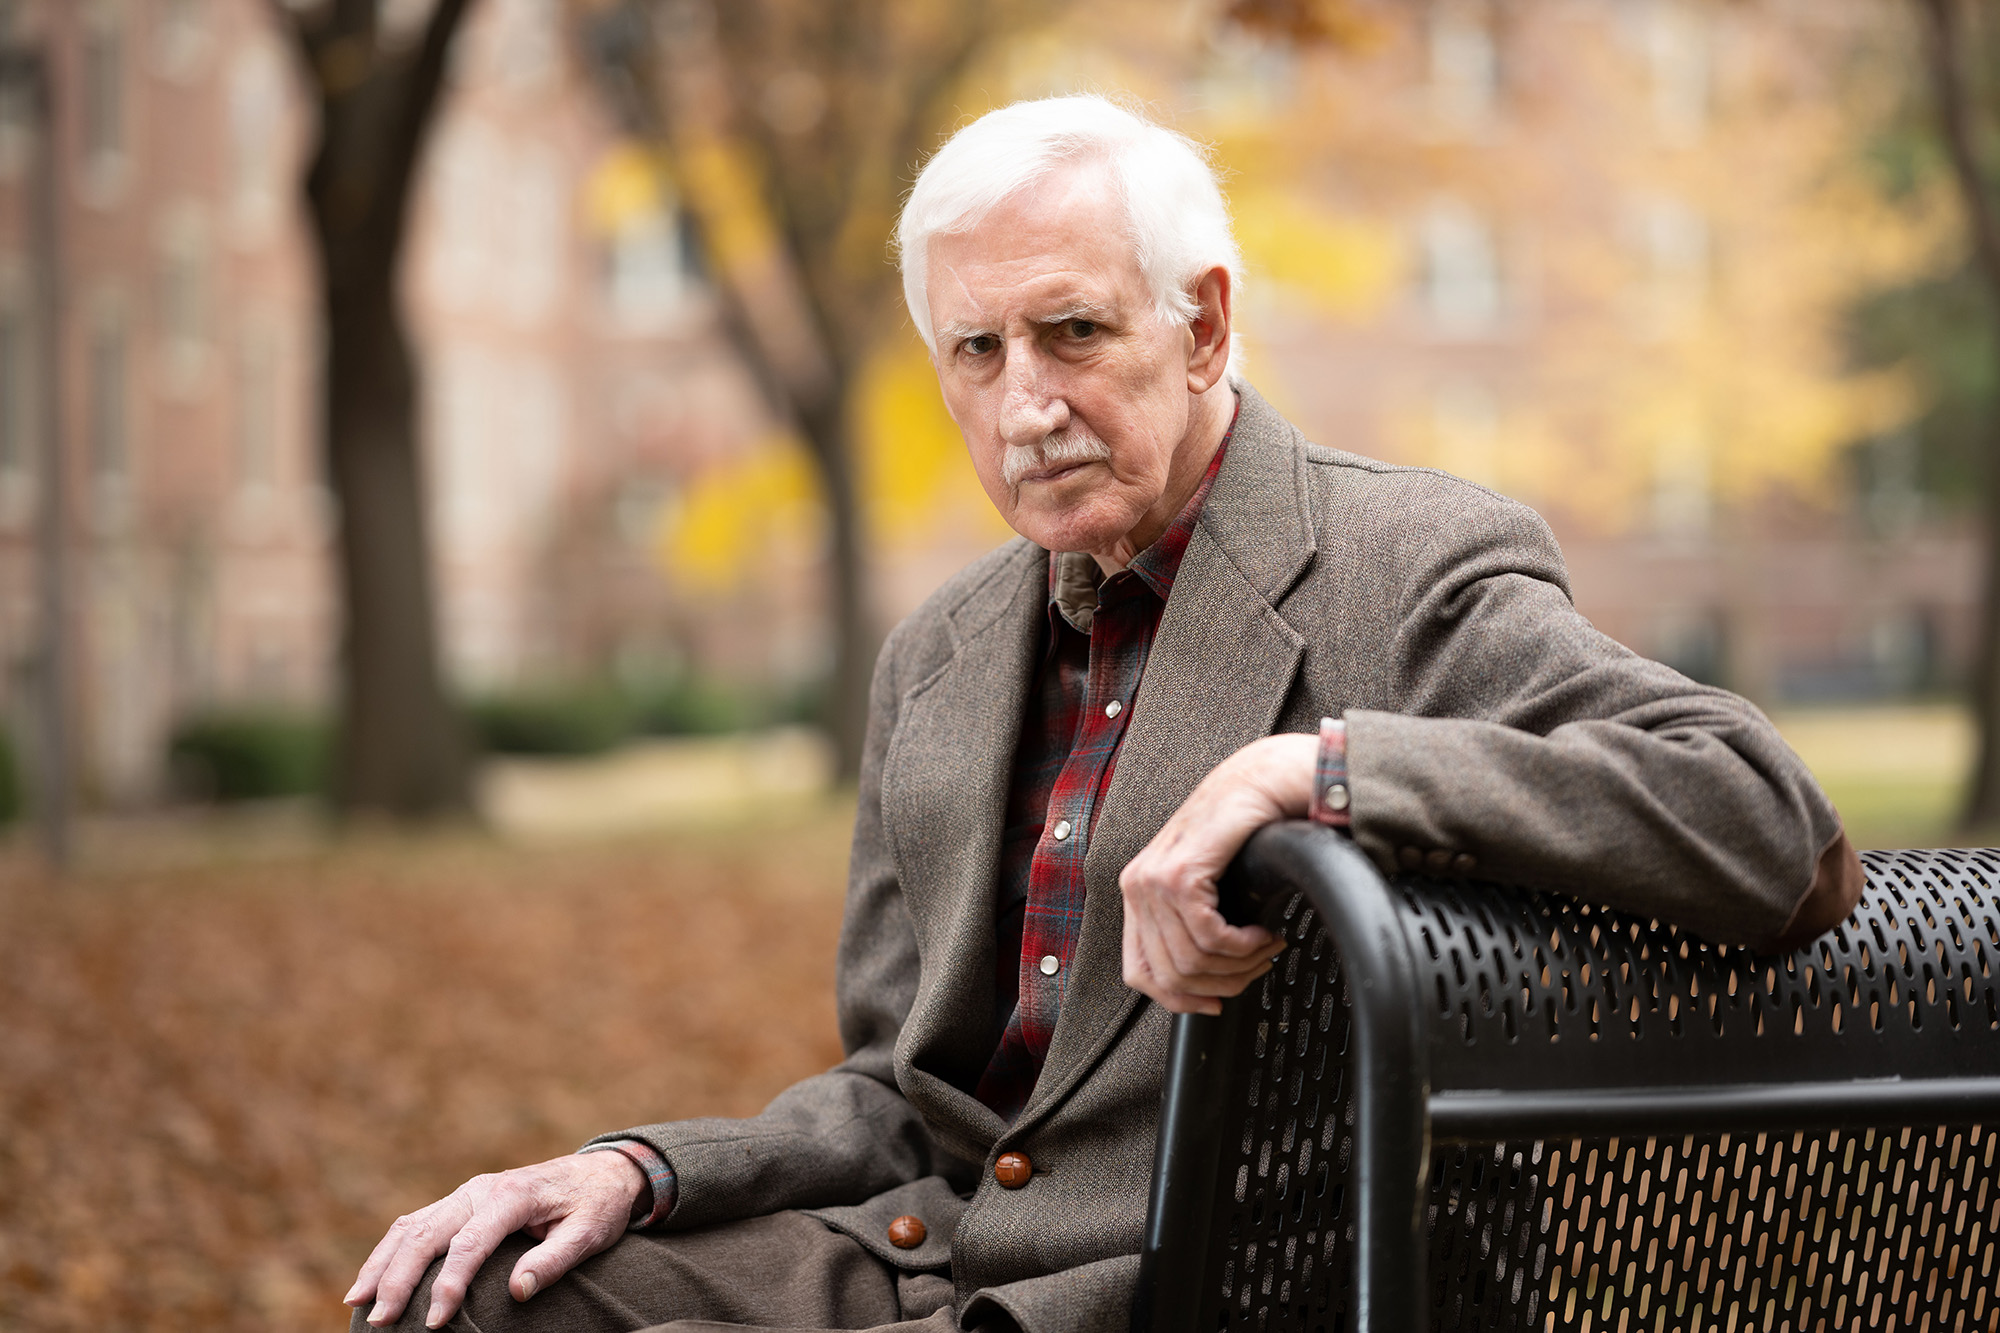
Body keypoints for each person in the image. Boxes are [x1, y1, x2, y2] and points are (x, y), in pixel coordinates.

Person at [345, 94, 1860, 1333]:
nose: (1025, 406)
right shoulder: (937, 656)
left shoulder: (1408, 567)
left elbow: (1769, 823)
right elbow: (901, 1091)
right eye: (977, 350)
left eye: (1072, 332)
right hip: (927, 1258)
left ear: (1203, 326)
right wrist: (642, 1169)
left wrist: (1316, 773)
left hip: (1211, 1288)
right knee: (469, 1296)